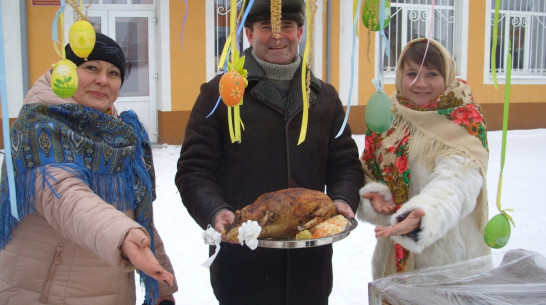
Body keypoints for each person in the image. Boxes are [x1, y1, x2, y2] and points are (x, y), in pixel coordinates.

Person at [174, 0, 364, 304]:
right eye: (266, 28)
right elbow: (194, 170)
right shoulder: (220, 94)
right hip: (243, 265)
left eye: (287, 26)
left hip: (309, 266)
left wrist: (341, 199)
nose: (278, 36)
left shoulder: (324, 97)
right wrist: (214, 210)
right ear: (249, 34)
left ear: (300, 31)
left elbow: (345, 165)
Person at [0, 32, 177, 305]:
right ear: (67, 72)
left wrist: (162, 287)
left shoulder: (121, 135)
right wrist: (123, 234)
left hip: (113, 289)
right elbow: (64, 195)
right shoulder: (38, 127)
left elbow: (140, 215)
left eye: (114, 73)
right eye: (91, 68)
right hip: (45, 291)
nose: (103, 80)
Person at [357, 38, 490, 280]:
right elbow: (369, 170)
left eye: (431, 74)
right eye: (411, 73)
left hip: (450, 265)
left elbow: (457, 181)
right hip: (393, 262)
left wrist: (424, 214)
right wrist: (377, 196)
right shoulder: (388, 118)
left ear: (447, 75)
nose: (420, 83)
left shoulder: (462, 117)